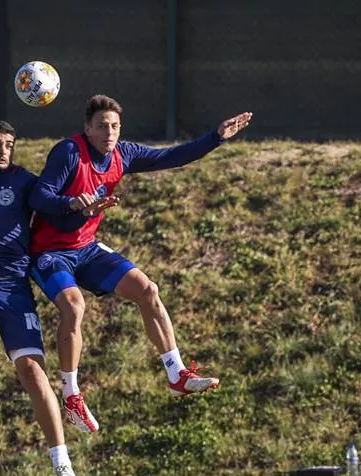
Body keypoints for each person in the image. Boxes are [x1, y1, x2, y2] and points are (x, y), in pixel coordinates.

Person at [28, 94, 253, 432]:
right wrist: (74, 204)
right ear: (87, 128)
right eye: (102, 126)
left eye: (115, 126)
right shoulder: (69, 152)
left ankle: (176, 373)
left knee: (148, 289)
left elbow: (171, 156)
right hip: (50, 251)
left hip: (86, 248)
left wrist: (215, 137)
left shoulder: (124, 154)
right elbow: (39, 196)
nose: (109, 132)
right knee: (74, 308)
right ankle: (71, 396)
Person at [0, 120, 108, 476]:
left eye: (9, 145)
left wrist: (81, 207)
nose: (3, 150)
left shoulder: (26, 182)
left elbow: (56, 208)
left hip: (15, 290)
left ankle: (62, 463)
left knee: (34, 374)